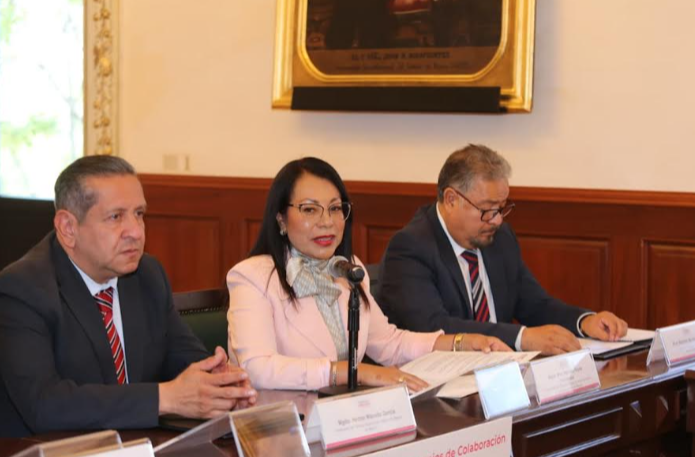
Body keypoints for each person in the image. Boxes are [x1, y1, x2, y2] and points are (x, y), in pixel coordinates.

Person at [0, 156, 257, 438]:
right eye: (116, 217)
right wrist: (164, 398)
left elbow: (182, 356)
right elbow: (44, 405)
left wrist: (220, 386)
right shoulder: (22, 290)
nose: (135, 231)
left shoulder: (146, 274)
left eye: (139, 214)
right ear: (68, 227)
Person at [226, 157, 510, 393]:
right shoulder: (252, 277)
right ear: (280, 218)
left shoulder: (348, 270)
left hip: (343, 417)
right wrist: (353, 372)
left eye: (335, 208)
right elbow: (258, 368)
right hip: (281, 427)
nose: (326, 222)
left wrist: (460, 343)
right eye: (310, 209)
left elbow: (389, 344)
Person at [376, 145, 628, 355]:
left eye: (502, 208)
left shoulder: (499, 237)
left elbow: (534, 304)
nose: (497, 220)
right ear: (452, 199)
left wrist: (584, 321)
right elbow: (433, 327)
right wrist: (521, 337)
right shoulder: (411, 247)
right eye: (487, 209)